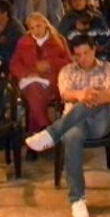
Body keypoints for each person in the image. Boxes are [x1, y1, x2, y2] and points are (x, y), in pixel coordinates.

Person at [25, 35, 110, 217]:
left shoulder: (109, 69)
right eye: (78, 55)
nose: (82, 58)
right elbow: (65, 94)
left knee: (93, 100)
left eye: (86, 53)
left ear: (94, 50)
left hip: (101, 122)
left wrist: (91, 97)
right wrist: (81, 95)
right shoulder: (67, 71)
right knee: (72, 136)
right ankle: (77, 199)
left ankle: (52, 133)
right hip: (75, 123)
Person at [10, 12, 72, 154]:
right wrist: (27, 72)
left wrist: (50, 64)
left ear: (45, 24)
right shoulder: (23, 42)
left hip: (53, 82)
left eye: (38, 26)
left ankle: (36, 139)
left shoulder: (58, 40)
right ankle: (48, 129)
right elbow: (14, 64)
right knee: (34, 89)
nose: (35, 30)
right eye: (32, 28)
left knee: (34, 99)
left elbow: (69, 62)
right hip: (31, 82)